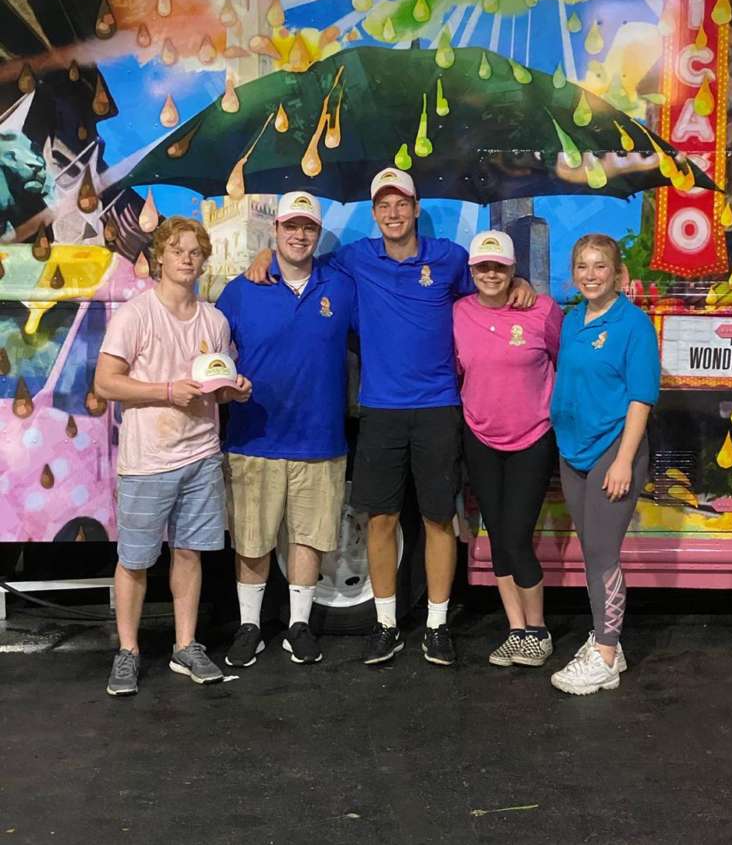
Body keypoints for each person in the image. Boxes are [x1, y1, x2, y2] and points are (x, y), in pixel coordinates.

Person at [246, 168, 534, 667]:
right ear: (374, 213)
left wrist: (522, 281)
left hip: (439, 406)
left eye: (401, 203)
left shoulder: (449, 257)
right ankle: (386, 625)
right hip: (380, 409)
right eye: (383, 205)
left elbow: (491, 283)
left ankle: (437, 627)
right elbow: (302, 261)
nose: (393, 213)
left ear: (416, 208)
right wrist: (267, 255)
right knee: (380, 519)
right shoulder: (356, 257)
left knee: (438, 518)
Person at [95, 216, 252, 697]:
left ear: (204, 262)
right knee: (135, 559)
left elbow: (214, 387)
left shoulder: (214, 321)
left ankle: (186, 645)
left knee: (189, 552)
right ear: (159, 257)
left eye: (195, 252)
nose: (187, 258)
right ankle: (128, 651)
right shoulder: (136, 315)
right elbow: (105, 383)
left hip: (201, 455)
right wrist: (166, 391)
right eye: (177, 250)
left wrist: (233, 391)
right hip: (147, 460)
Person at [216, 191, 356, 668]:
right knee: (252, 539)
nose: (299, 235)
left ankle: (299, 625)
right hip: (254, 437)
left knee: (308, 537)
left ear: (318, 234)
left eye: (308, 227)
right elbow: (211, 356)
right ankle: (250, 627)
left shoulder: (341, 288)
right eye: (290, 226)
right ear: (275, 231)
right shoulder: (240, 290)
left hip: (319, 437)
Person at [548, 233, 660, 696]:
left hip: (613, 450)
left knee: (601, 552)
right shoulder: (573, 320)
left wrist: (624, 461)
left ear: (618, 274)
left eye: (600, 266)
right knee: (590, 548)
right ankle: (604, 638)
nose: (590, 275)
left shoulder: (634, 325)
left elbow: (641, 397)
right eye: (582, 266)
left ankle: (606, 655)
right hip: (573, 450)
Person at [453, 230, 562, 668]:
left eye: (499, 266)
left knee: (517, 537)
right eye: (483, 266)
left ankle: (538, 631)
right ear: (472, 271)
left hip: (532, 438)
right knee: (497, 536)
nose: (491, 274)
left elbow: (565, 362)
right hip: (480, 437)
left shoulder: (543, 310)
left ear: (514, 269)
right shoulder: (459, 312)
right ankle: (516, 630)